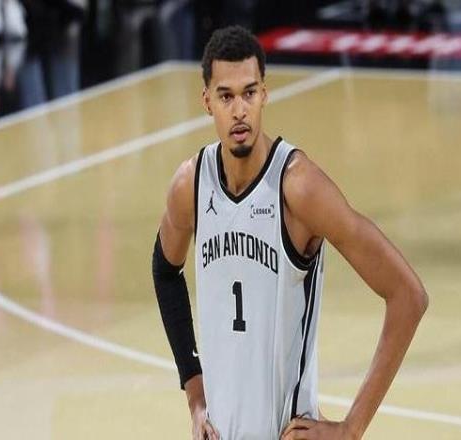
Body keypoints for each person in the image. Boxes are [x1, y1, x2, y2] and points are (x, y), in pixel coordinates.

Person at [152, 25, 428, 440]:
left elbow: (408, 295)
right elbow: (165, 271)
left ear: (265, 94)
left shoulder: (298, 188)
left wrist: (351, 429)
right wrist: (194, 391)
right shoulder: (190, 184)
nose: (239, 110)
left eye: (249, 93)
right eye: (226, 96)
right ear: (206, 101)